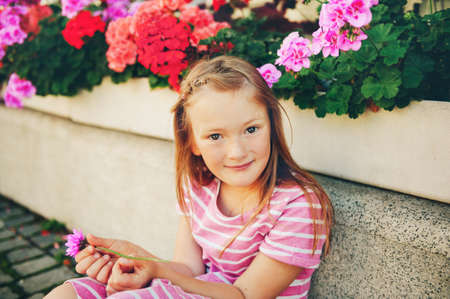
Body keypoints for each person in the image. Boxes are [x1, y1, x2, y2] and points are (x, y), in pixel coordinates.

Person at [44, 56, 333, 299]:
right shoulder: (200, 189)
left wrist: (156, 274)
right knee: (70, 294)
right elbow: (188, 270)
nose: (237, 151)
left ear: (271, 124)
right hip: (202, 290)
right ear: (193, 142)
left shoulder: (298, 206)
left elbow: (244, 295)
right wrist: (139, 261)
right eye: (215, 136)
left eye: (251, 129)